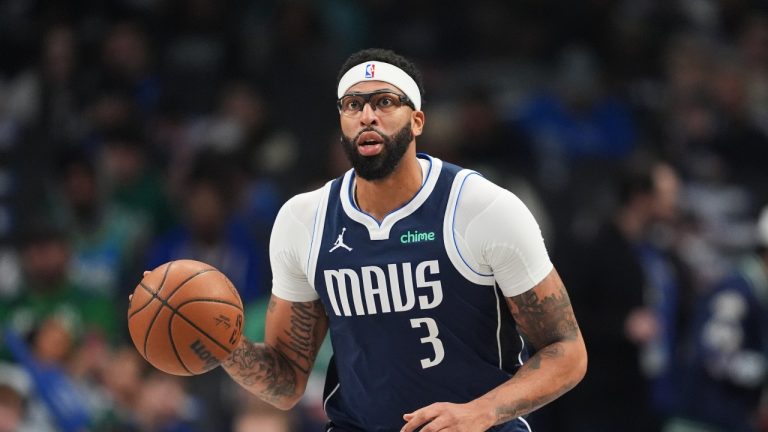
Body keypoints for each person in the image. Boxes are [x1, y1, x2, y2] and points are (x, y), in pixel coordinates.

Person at [221, 48, 587, 431]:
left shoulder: (482, 209)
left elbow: (568, 351)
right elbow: (286, 383)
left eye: (384, 102)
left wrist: (483, 411)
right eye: (352, 105)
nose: (367, 116)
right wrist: (225, 348)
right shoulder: (304, 220)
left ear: (417, 121)